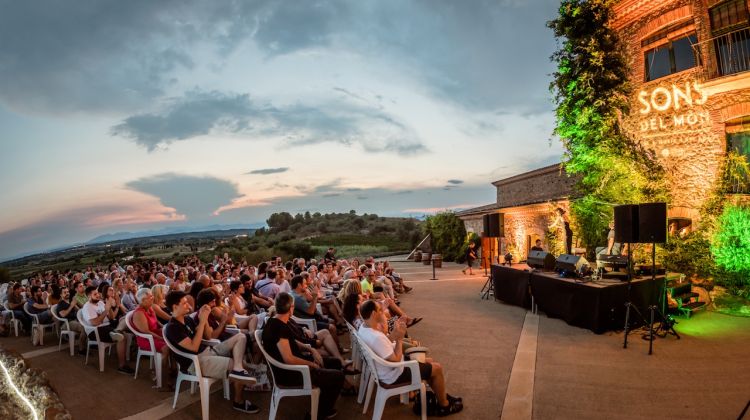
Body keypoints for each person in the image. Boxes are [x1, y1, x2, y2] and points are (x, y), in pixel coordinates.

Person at [357, 300, 463, 416]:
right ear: (373, 314)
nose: (382, 311)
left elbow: (384, 346)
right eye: (379, 310)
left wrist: (395, 332)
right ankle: (444, 406)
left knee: (429, 362)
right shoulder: (376, 337)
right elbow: (396, 358)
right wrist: (399, 338)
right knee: (437, 368)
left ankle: (441, 396)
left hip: (385, 370)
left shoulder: (364, 328)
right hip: (394, 375)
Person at [164, 290, 260, 413]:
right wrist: (203, 321)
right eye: (184, 303)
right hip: (195, 363)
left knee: (240, 337)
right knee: (235, 363)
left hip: (207, 351)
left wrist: (202, 318)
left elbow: (205, 336)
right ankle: (238, 401)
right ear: (175, 306)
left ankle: (239, 369)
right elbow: (193, 347)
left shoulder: (187, 319)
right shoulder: (173, 327)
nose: (188, 305)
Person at [261, 293, 344, 419]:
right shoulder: (279, 327)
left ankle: (324, 396)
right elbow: (288, 359)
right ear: (291, 308)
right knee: (338, 376)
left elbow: (291, 342)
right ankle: (318, 413)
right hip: (291, 373)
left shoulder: (275, 321)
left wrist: (310, 350)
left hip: (295, 366)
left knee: (336, 363)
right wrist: (312, 364)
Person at [81, 286, 134, 374]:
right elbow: (95, 323)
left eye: (98, 293)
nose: (98, 295)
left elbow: (112, 317)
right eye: (95, 294)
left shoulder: (101, 303)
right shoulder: (87, 307)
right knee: (122, 337)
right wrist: (105, 310)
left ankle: (117, 332)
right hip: (95, 330)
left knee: (125, 324)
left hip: (107, 326)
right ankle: (122, 366)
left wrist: (110, 307)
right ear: (88, 296)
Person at [132, 287, 173, 389]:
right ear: (143, 300)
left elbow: (157, 323)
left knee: (173, 339)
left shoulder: (150, 308)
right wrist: (161, 337)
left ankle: (171, 369)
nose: (152, 298)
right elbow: (146, 331)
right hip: (146, 339)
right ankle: (161, 378)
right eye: (150, 297)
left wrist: (164, 328)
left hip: (154, 334)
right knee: (166, 347)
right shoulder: (139, 313)